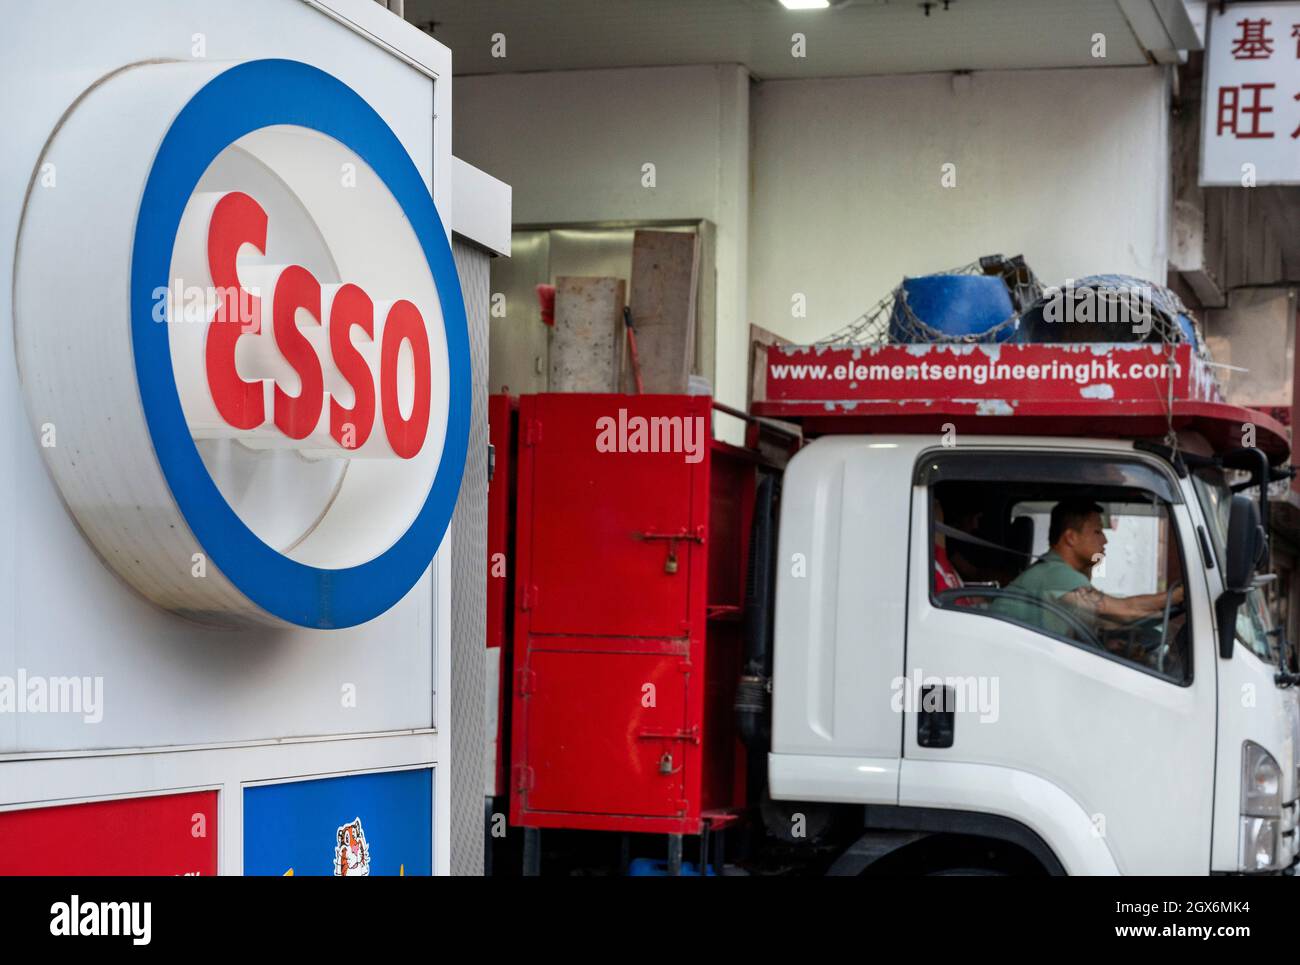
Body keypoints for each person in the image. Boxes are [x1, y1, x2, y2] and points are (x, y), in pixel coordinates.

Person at [993, 497, 1182, 639]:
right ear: (1071, 537)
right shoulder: (1056, 573)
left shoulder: (1060, 574)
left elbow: (1107, 622)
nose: (1105, 540)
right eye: (1097, 531)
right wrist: (1179, 596)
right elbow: (1124, 611)